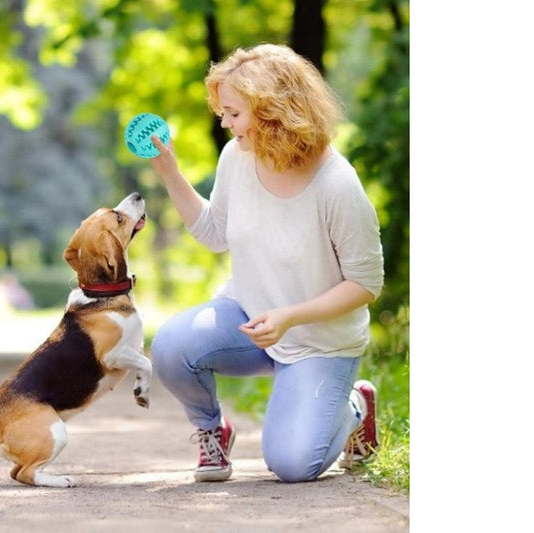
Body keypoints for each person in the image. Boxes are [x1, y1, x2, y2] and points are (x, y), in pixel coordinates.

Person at [147, 43, 384, 483]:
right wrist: (169, 173)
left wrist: (291, 317)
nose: (223, 122)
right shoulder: (237, 157)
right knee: (171, 347)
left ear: (272, 111)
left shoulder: (337, 184)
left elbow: (366, 284)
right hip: (249, 317)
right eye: (222, 111)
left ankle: (355, 406)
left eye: (233, 113)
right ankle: (212, 432)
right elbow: (215, 233)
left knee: (293, 465)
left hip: (318, 339)